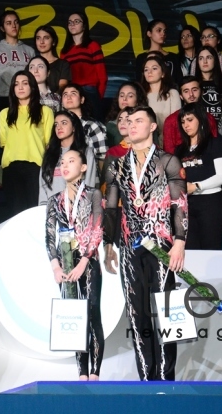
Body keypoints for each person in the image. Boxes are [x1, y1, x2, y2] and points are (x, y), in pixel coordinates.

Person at [103, 105, 187, 381]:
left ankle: (165, 379)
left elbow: (180, 204)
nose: (132, 124)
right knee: (137, 316)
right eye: (129, 120)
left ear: (153, 126)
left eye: (139, 120)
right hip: (129, 247)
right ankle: (146, 380)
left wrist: (180, 242)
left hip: (162, 247)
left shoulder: (168, 161)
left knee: (165, 313)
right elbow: (112, 207)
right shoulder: (116, 165)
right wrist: (107, 245)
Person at [45, 149, 104, 380]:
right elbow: (50, 236)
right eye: (63, 162)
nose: (65, 165)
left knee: (92, 313)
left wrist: (85, 261)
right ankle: (81, 374)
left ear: (84, 167)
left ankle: (95, 373)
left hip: (88, 262)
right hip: (66, 263)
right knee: (74, 317)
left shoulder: (93, 195)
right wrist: (56, 267)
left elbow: (98, 228)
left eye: (72, 161)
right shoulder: (54, 200)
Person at [0, 71, 53, 217]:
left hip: (35, 167)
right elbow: (3, 142)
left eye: (25, 83)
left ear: (33, 87)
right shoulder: (5, 113)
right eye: (16, 84)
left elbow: (49, 143)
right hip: (11, 168)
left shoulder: (45, 111)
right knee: (14, 213)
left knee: (34, 211)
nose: (20, 87)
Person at [174, 103, 222, 249]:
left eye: (190, 120)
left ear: (200, 119)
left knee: (210, 251)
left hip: (211, 203)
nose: (186, 125)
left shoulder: (215, 142)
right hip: (187, 204)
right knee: (190, 253)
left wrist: (196, 186)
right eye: (183, 121)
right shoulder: (180, 150)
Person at [39, 110, 95, 205]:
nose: (59, 127)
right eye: (56, 124)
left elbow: (89, 182)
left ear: (74, 127)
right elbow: (43, 184)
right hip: (51, 210)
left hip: (77, 208)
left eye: (64, 123)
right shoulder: (50, 153)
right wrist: (43, 208)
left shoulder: (85, 152)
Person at [60, 12, 107, 122]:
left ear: (84, 25)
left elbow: (102, 75)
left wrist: (97, 97)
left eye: (77, 22)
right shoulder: (65, 51)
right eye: (70, 22)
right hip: (73, 93)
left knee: (93, 125)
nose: (72, 24)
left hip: (90, 92)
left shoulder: (93, 46)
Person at [0, 10, 35, 115]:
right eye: (8, 23)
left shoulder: (29, 51)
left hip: (27, 99)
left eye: (16, 22)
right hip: (4, 99)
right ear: (2, 28)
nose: (13, 26)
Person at [163, 76, 219, 154]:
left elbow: (215, 147)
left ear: (202, 92)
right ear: (181, 96)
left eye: (194, 90)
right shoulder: (171, 120)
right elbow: (169, 153)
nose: (191, 94)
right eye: (186, 91)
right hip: (180, 164)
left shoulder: (209, 118)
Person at [60, 83, 108, 175]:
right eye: (65, 95)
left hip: (88, 178)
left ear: (82, 99)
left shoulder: (92, 126)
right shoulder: (57, 126)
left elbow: (103, 157)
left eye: (73, 94)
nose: (68, 97)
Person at [141, 56, 180, 145]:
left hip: (168, 143)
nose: (149, 72)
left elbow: (175, 123)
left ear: (163, 73)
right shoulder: (141, 95)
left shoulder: (172, 93)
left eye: (154, 68)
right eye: (146, 70)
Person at [135, 20, 182, 86]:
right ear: (149, 33)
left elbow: (178, 80)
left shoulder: (173, 57)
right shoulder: (141, 58)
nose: (163, 34)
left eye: (164, 31)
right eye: (159, 30)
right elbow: (139, 82)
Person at [195, 46, 222, 130]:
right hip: (200, 130)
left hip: (221, 130)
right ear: (197, 62)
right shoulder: (194, 84)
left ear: (215, 60)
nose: (205, 61)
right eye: (201, 58)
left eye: (209, 57)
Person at [105, 81, 147, 147]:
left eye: (130, 96)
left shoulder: (147, 122)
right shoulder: (111, 125)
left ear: (138, 100)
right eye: (121, 95)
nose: (124, 99)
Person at [34, 25, 71, 93]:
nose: (41, 42)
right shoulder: (31, 64)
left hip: (56, 102)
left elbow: (62, 87)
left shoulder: (62, 64)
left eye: (46, 38)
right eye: (38, 38)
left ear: (53, 42)